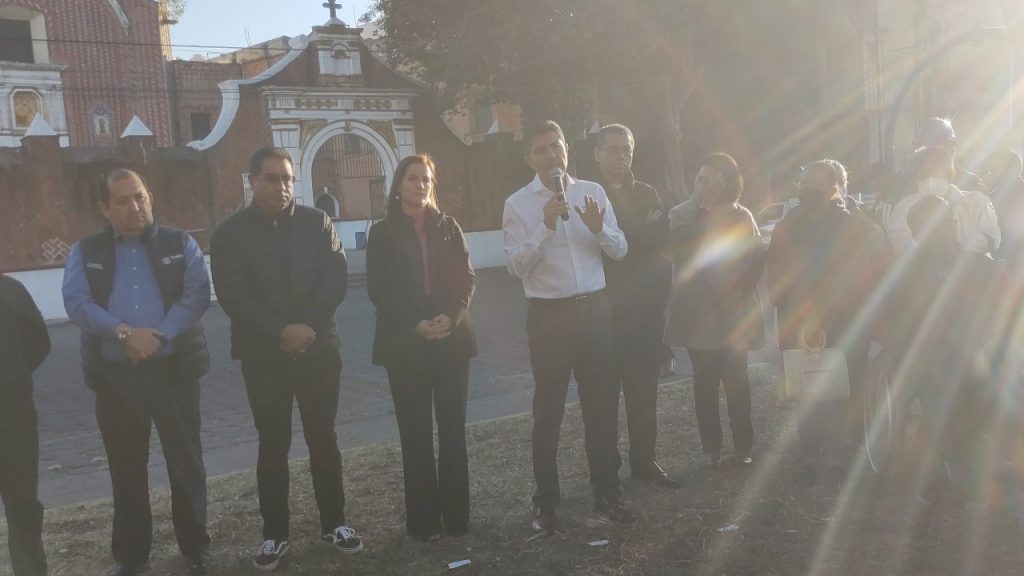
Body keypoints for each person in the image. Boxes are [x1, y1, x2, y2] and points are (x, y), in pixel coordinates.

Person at [210, 148, 362, 571]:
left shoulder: (317, 223)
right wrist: (281, 331)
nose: (281, 186)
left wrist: (306, 326)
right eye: (271, 178)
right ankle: (275, 534)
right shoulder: (230, 234)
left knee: (323, 438)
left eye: (287, 179)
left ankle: (335, 524)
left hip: (318, 349)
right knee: (273, 443)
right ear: (252, 181)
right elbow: (233, 295)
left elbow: (335, 277)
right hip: (264, 356)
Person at [62, 169, 212, 576]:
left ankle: (195, 547)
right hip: (117, 377)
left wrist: (158, 336)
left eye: (140, 197)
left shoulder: (180, 243)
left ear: (150, 197)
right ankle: (131, 556)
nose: (135, 207)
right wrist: (125, 333)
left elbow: (197, 294)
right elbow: (77, 302)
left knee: (186, 463)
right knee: (126, 468)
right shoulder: (86, 251)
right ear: (104, 209)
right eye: (123, 201)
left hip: (174, 371)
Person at [503, 120, 631, 533]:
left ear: (567, 149)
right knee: (549, 412)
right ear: (529, 158)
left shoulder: (592, 192)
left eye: (556, 146)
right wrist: (545, 225)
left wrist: (599, 228)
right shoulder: (517, 205)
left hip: (595, 311)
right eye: (541, 149)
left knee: (602, 406)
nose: (551, 155)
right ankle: (546, 503)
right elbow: (516, 266)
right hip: (549, 316)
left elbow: (620, 249)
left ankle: (607, 493)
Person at [366, 155, 477, 541]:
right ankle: (424, 523)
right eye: (413, 178)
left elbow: (466, 278)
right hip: (405, 342)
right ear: (398, 185)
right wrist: (414, 321)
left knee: (452, 431)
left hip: (450, 339)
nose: (421, 185)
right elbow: (378, 288)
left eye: (427, 179)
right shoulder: (381, 233)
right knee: (415, 434)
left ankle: (457, 520)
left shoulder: (448, 226)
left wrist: (451, 316)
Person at [765, 160, 886, 483]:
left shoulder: (854, 224)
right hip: (799, 319)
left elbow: (865, 272)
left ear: (835, 187)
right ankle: (811, 453)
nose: (807, 189)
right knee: (806, 386)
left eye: (815, 184)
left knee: (844, 386)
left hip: (843, 317)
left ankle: (841, 451)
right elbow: (776, 274)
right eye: (804, 183)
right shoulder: (788, 224)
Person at [664, 153, 763, 468]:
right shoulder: (682, 214)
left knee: (737, 382)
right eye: (700, 178)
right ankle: (711, 448)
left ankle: (743, 447)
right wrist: (702, 207)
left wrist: (739, 292)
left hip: (734, 311)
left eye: (711, 180)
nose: (703, 185)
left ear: (729, 182)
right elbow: (681, 253)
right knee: (704, 383)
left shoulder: (742, 216)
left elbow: (755, 259)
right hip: (698, 314)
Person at [593, 124, 678, 488]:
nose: (621, 156)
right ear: (597, 153)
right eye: (613, 149)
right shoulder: (587, 195)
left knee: (644, 395)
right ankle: (606, 469)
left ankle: (645, 462)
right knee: (604, 399)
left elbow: (660, 243)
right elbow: (594, 249)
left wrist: (621, 240)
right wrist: (637, 235)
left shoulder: (647, 193)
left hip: (644, 315)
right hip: (603, 316)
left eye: (626, 149)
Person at [0, 276, 51, 576]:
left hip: (14, 417)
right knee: (22, 503)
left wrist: (13, 377)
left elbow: (39, 342)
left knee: (22, 504)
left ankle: (30, 570)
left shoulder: (11, 291)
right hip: (14, 410)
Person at [886, 146, 1000, 256]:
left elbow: (993, 240)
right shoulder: (903, 209)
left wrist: (961, 250)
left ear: (950, 174)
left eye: (935, 174)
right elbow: (905, 251)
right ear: (914, 178)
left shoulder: (977, 202)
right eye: (923, 177)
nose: (929, 181)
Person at [981, 148, 1024, 264]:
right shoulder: (994, 194)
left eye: (995, 167)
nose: (990, 171)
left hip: (1011, 258)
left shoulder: (996, 196)